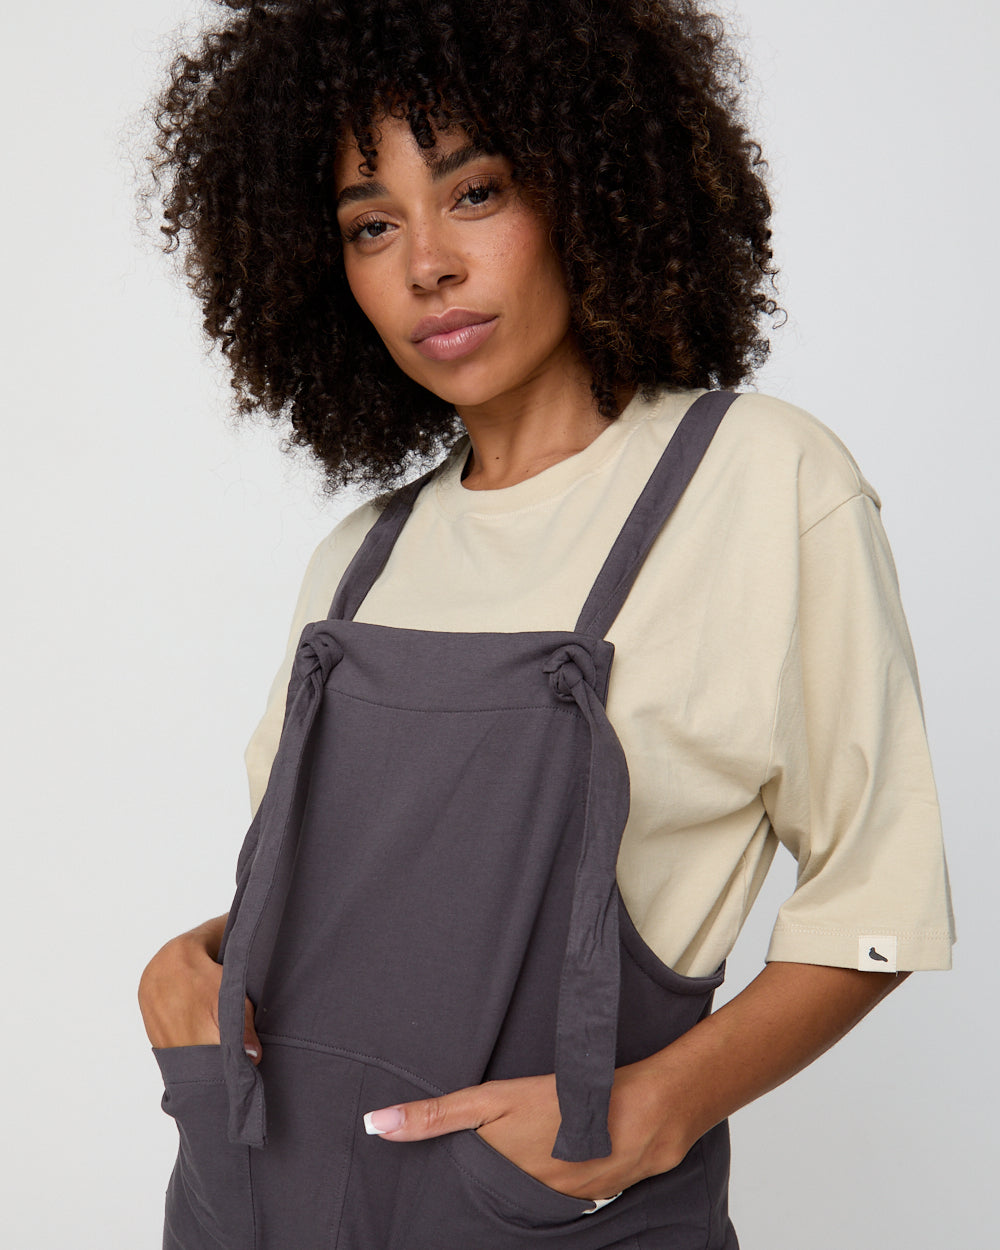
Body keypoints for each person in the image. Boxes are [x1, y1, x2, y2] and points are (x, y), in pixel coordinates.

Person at [137, 1, 955, 1246]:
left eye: (475, 193)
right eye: (371, 223)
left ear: (591, 186)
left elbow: (876, 895)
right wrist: (182, 967)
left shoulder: (759, 479)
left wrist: (663, 1105)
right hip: (253, 1195)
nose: (426, 264)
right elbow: (337, 907)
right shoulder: (359, 561)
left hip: (544, 1213)